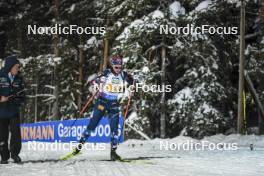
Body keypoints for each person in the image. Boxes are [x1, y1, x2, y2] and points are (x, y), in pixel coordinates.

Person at [74, 55, 135, 161]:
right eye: (116, 66)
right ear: (112, 65)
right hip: (102, 102)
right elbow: (92, 83)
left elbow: (133, 82)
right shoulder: (107, 73)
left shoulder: (123, 75)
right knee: (92, 125)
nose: (118, 69)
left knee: (115, 130)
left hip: (114, 103)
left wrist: (133, 86)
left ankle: (113, 153)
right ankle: (79, 147)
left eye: (120, 66)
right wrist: (97, 83)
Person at [0, 56, 25, 164]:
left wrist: (19, 99)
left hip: (14, 111)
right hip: (1, 112)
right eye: (16, 67)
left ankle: (15, 154)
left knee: (16, 134)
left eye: (18, 67)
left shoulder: (19, 78)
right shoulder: (1, 76)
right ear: (10, 67)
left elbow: (23, 94)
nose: (18, 69)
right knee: (2, 135)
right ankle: (4, 156)